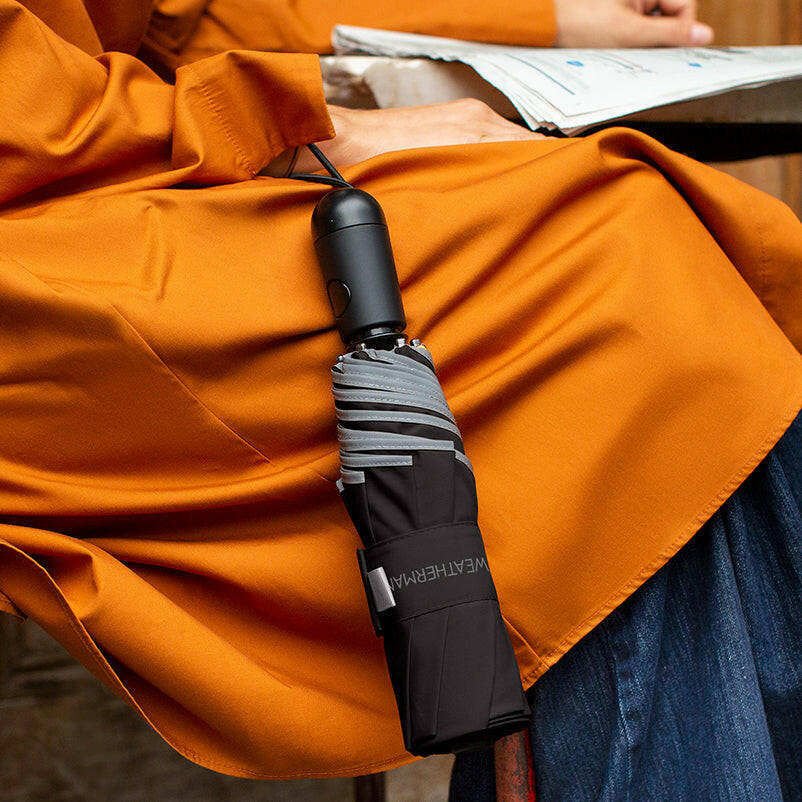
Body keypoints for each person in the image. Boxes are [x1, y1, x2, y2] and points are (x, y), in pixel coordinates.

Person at [0, 0, 799, 792]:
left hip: (95, 158)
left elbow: (182, 25)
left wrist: (551, 22)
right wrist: (308, 128)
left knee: (650, 255)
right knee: (598, 265)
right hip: (42, 235)